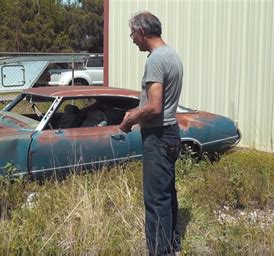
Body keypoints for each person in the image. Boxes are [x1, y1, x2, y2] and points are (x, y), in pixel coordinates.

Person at [119, 11, 183, 255]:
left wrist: (130, 119)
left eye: (132, 34)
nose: (132, 38)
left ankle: (160, 251)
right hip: (170, 132)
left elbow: (155, 107)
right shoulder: (172, 55)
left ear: (142, 32)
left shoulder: (156, 60)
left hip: (158, 136)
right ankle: (172, 245)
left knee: (155, 200)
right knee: (166, 193)